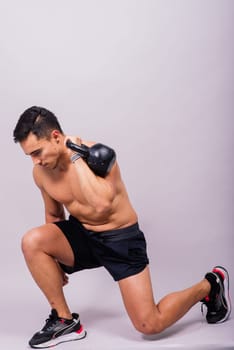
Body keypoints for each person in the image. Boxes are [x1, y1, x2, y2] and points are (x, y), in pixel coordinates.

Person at [13, 106, 231, 349]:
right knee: (32, 241)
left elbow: (101, 204)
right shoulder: (40, 172)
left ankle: (210, 285)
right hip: (83, 235)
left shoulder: (98, 156)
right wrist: (54, 260)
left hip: (120, 240)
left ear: (56, 137)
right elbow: (54, 214)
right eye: (29, 156)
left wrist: (75, 156)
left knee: (149, 324)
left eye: (37, 152)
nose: (35, 161)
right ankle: (64, 320)